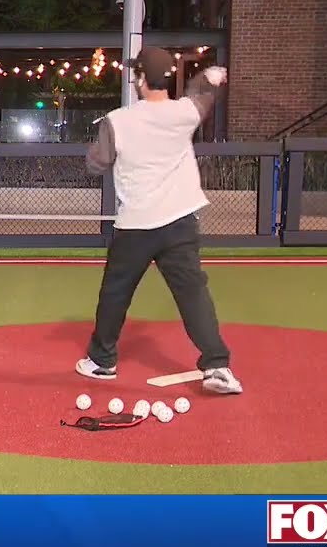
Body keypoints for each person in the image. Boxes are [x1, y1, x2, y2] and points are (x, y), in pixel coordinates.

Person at [74, 46, 243, 395]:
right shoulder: (185, 113)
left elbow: (96, 164)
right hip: (180, 221)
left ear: (140, 79)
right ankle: (217, 365)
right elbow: (202, 94)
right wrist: (208, 77)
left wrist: (98, 144)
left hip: (136, 224)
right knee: (192, 293)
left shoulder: (118, 121)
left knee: (116, 293)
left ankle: (102, 360)